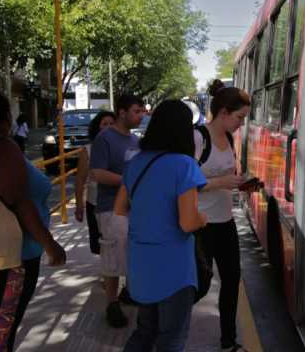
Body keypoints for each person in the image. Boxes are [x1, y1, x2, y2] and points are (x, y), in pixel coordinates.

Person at [0, 90, 65, 352]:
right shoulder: (1, 148)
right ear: (7, 116)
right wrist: (50, 244)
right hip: (9, 257)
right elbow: (20, 202)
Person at [114, 100, 208, 352]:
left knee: (145, 331)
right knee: (172, 339)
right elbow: (188, 222)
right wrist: (203, 219)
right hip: (173, 267)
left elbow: (120, 208)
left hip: (140, 262)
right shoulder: (184, 165)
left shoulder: (136, 162)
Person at [194, 79, 254, 352]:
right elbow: (181, 183)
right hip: (199, 224)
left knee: (231, 281)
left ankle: (228, 342)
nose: (241, 123)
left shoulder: (229, 138)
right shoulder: (198, 138)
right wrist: (221, 183)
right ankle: (165, 324)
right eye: (239, 117)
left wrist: (241, 183)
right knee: (200, 284)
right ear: (224, 113)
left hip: (225, 222)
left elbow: (227, 176)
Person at [90, 95, 145, 328]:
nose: (141, 116)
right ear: (122, 112)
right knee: (113, 256)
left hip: (133, 207)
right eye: (136, 111)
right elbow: (98, 174)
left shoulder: (135, 139)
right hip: (110, 207)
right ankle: (111, 304)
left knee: (132, 253)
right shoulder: (105, 138)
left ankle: (128, 293)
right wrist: (128, 181)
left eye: (142, 111)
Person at [75, 111, 116, 254]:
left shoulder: (123, 147)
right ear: (97, 127)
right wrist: (79, 205)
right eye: (105, 124)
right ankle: (108, 271)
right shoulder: (88, 150)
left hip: (118, 203)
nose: (109, 127)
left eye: (112, 124)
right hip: (95, 203)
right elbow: (80, 179)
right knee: (101, 245)